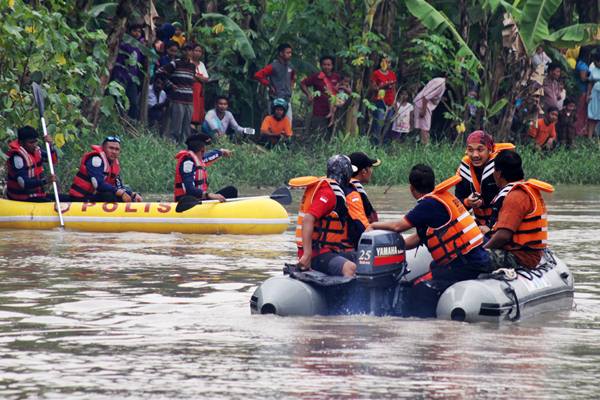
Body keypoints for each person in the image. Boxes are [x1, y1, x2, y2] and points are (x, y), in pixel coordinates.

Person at [367, 165, 490, 317]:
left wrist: (372, 225)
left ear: (412, 189)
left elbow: (398, 226)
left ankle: (417, 321)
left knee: (418, 288)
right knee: (431, 269)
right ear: (433, 182)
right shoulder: (444, 198)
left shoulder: (428, 205)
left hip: (464, 264)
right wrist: (394, 246)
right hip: (475, 259)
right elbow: (417, 239)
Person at [290, 155, 370, 277]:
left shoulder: (330, 188)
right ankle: (346, 295)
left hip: (329, 251)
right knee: (350, 268)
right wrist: (307, 254)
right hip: (317, 254)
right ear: (346, 173)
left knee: (366, 259)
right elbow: (308, 219)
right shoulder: (328, 192)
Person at [484, 150, 553, 269]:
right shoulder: (527, 190)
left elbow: (503, 236)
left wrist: (483, 249)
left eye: (494, 170)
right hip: (528, 254)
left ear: (499, 173)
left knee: (470, 257)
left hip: (519, 257)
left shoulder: (515, 196)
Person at [454, 131, 515, 228]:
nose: (475, 155)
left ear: (490, 150)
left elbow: (512, 203)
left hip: (503, 225)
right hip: (481, 225)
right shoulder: (464, 170)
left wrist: (493, 228)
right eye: (470, 150)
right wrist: (467, 202)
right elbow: (457, 203)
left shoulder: (502, 167)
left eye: (480, 149)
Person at [69, 136, 142, 203]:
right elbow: (98, 184)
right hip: (81, 198)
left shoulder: (113, 165)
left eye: (117, 149)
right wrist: (121, 193)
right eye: (111, 148)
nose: (114, 152)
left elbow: (119, 186)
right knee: (109, 195)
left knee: (129, 193)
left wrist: (132, 194)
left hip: (93, 197)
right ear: (103, 148)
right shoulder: (96, 160)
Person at [173, 133, 235, 202]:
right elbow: (189, 189)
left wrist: (221, 152)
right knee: (231, 191)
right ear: (202, 150)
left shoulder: (197, 159)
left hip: (198, 200)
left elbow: (209, 156)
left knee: (231, 190)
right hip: (186, 203)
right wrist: (208, 195)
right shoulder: (187, 163)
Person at [5, 126, 61, 202]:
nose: (34, 144)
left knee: (67, 199)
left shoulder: (36, 151)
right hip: (22, 198)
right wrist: (45, 181)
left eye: (35, 141)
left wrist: (51, 145)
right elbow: (23, 183)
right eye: (31, 142)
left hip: (37, 194)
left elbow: (53, 160)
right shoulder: (17, 158)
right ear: (21, 143)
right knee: (51, 203)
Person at [157, 43, 196, 143]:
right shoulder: (175, 63)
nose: (187, 53)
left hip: (189, 99)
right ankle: (172, 144)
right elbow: (160, 72)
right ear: (181, 52)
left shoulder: (192, 66)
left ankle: (184, 145)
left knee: (186, 125)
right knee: (176, 125)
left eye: (190, 50)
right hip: (177, 98)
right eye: (185, 50)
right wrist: (170, 85)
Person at [112, 23, 145, 120]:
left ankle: (131, 123)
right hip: (121, 76)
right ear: (130, 32)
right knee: (118, 101)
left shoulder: (139, 48)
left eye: (139, 31)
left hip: (132, 79)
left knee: (133, 103)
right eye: (135, 31)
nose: (137, 33)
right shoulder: (123, 44)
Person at [301, 55, 340, 138]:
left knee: (332, 135)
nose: (326, 67)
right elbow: (303, 83)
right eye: (324, 64)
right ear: (321, 65)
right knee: (318, 134)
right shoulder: (316, 76)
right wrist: (309, 94)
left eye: (328, 65)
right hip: (319, 111)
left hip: (334, 110)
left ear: (332, 66)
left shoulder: (336, 77)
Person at [254, 43, 295, 122]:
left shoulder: (290, 66)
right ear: (281, 53)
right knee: (274, 123)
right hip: (275, 99)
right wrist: (269, 84)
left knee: (288, 122)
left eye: (290, 53)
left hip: (287, 99)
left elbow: (293, 77)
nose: (290, 55)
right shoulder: (273, 66)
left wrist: (291, 87)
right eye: (288, 53)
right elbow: (258, 75)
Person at [349, 151, 381, 223]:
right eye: (370, 168)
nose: (371, 171)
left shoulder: (342, 186)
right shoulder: (357, 190)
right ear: (364, 171)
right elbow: (372, 220)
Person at [370, 56, 397, 139]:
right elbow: (373, 88)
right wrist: (383, 86)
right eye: (386, 62)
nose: (388, 64)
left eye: (389, 62)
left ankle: (384, 144)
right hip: (380, 103)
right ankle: (375, 144)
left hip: (390, 103)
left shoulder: (392, 74)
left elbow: (394, 89)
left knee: (387, 124)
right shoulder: (376, 73)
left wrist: (395, 102)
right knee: (378, 124)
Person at [413, 77, 446, 144]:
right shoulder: (441, 83)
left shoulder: (439, 80)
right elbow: (426, 96)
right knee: (425, 128)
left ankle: (422, 145)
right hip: (423, 105)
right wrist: (423, 110)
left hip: (423, 104)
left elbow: (431, 95)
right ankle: (425, 148)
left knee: (423, 127)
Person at [190, 44, 209, 126]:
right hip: (190, 89)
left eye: (199, 51)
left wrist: (196, 76)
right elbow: (190, 77)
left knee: (198, 109)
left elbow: (206, 79)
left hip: (199, 91)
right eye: (196, 50)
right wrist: (200, 78)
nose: (197, 53)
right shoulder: (188, 62)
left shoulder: (201, 64)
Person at [587, 52, 600, 137]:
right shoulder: (592, 68)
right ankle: (590, 137)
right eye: (597, 61)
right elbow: (590, 83)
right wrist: (588, 95)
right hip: (595, 94)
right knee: (592, 116)